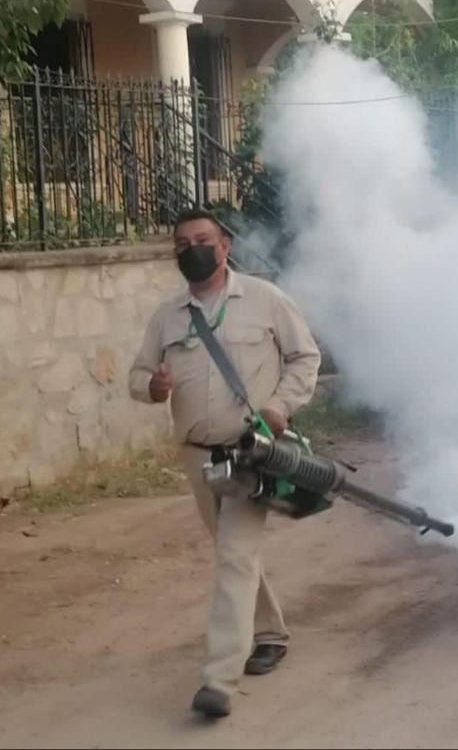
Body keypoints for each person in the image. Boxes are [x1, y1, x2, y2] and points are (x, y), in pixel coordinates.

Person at [129, 209, 321, 718]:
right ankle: (271, 632)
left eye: (202, 239)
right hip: (198, 456)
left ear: (224, 245)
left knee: (234, 556)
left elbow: (306, 358)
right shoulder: (167, 316)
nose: (191, 248)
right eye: (181, 242)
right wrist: (153, 387)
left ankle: (218, 679)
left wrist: (278, 408)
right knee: (232, 551)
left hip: (250, 452)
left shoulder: (265, 299)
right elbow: (137, 375)